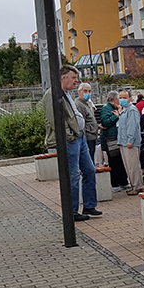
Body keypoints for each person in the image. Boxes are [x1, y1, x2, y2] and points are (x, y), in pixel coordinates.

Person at [42, 65, 101, 221]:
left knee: (89, 169)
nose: (76, 81)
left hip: (79, 137)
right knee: (73, 175)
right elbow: (54, 119)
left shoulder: (66, 94)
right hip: (71, 140)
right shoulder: (52, 94)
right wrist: (69, 135)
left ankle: (89, 205)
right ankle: (72, 211)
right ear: (63, 78)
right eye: (73, 78)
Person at [100, 91, 128, 191]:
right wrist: (115, 116)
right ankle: (115, 183)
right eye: (119, 98)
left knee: (121, 161)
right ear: (115, 99)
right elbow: (105, 122)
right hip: (111, 139)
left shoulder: (117, 108)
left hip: (118, 138)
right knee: (114, 161)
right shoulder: (106, 109)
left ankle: (123, 181)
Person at [117, 90, 143, 195]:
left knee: (133, 166)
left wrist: (130, 140)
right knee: (128, 166)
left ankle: (137, 186)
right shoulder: (124, 110)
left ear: (130, 99)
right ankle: (133, 185)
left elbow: (132, 126)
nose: (122, 99)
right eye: (121, 97)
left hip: (130, 142)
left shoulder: (132, 110)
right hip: (123, 141)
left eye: (125, 97)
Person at [75, 83, 99, 162]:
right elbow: (81, 124)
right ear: (79, 92)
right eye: (85, 91)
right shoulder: (78, 104)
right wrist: (84, 141)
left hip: (92, 135)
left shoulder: (88, 103)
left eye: (89, 91)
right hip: (87, 137)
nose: (88, 93)